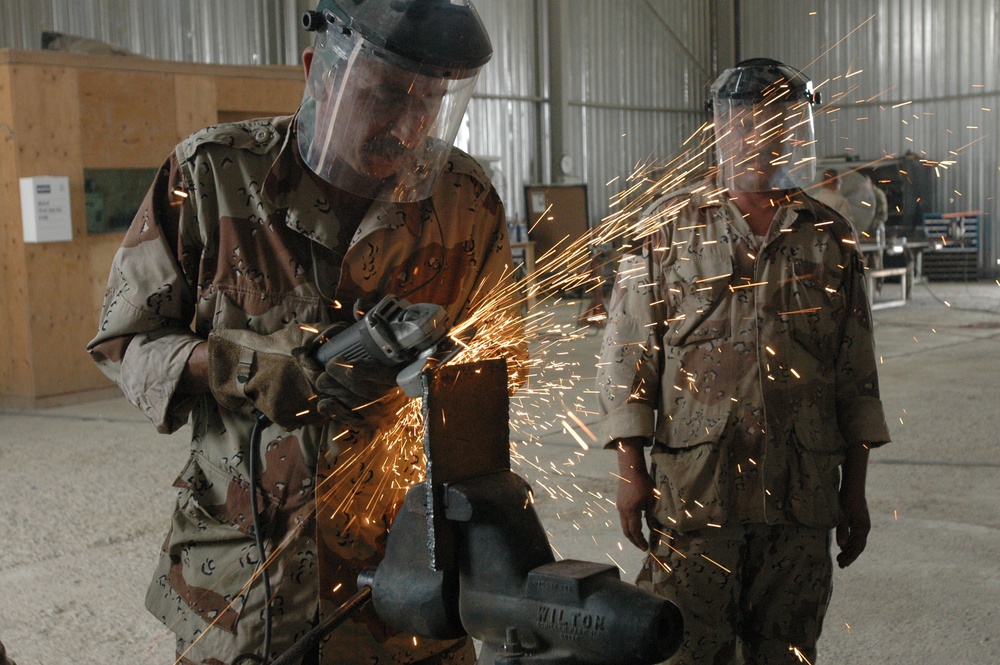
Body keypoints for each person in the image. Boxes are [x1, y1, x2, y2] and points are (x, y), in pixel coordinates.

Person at [88, 1, 521, 663]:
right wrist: (245, 366)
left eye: (429, 102)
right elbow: (125, 344)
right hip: (243, 587)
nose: (407, 129)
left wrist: (430, 374)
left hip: (407, 582)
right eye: (383, 97)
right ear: (319, 70)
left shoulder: (463, 197)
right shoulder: (211, 177)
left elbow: (503, 357)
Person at [597, 58, 890, 664]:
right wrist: (630, 471)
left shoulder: (829, 236)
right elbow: (628, 354)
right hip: (697, 495)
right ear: (720, 132)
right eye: (744, 125)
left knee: (787, 650)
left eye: (777, 125)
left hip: (802, 497)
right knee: (682, 648)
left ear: (796, 133)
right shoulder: (668, 229)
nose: (760, 139)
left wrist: (854, 491)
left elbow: (855, 375)